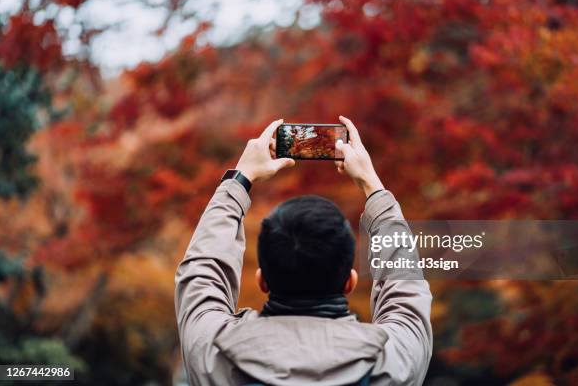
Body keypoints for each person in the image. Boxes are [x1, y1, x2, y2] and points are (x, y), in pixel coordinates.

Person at [175, 116, 433, 385]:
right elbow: (405, 289)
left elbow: (202, 271)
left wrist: (240, 179)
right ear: (350, 282)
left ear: (262, 280)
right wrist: (372, 185)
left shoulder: (211, 352)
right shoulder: (395, 361)